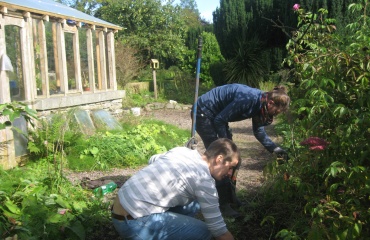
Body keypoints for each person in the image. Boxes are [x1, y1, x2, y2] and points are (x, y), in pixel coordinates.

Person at [192, 84, 291, 217]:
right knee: (224, 160)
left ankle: (231, 198)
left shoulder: (262, 104)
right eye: (276, 112)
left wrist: (276, 150)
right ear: (271, 103)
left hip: (217, 116)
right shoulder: (249, 99)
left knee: (235, 161)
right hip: (203, 112)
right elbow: (219, 120)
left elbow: (259, 132)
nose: (275, 115)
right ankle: (223, 205)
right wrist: (227, 145)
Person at [112, 138, 240, 240]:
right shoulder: (204, 181)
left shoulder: (182, 151)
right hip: (133, 224)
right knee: (205, 232)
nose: (230, 173)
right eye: (230, 167)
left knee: (195, 203)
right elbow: (218, 231)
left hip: (120, 210)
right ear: (219, 159)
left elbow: (152, 159)